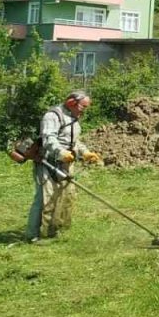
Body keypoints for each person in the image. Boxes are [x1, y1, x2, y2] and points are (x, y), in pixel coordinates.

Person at [26, 90, 101, 242]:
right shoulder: (53, 116)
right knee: (44, 199)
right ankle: (33, 234)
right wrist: (61, 152)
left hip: (65, 163)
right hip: (48, 162)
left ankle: (55, 230)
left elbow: (74, 142)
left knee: (66, 197)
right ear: (72, 103)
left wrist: (85, 153)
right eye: (83, 107)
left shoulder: (74, 118)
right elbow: (48, 139)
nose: (84, 110)